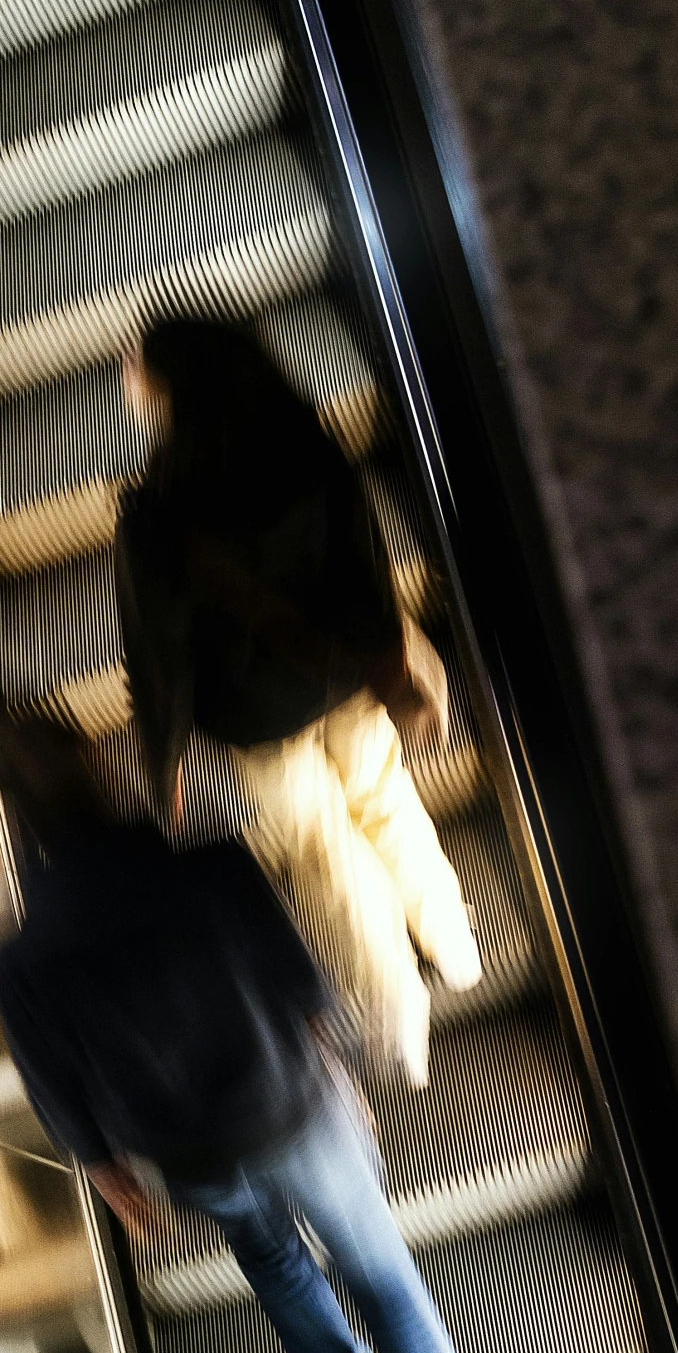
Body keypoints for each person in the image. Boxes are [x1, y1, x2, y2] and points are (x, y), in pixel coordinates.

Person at [0, 719, 542, 1353]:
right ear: (104, 781)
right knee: (383, 1279)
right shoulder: (209, 867)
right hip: (290, 1104)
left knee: (273, 1263)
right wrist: (342, 1070)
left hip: (187, 1151)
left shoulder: (21, 960)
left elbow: (49, 1078)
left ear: (18, 822)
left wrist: (102, 1166)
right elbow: (300, 980)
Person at [115, 313, 481, 1088]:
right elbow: (367, 565)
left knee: (323, 850)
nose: (127, 374)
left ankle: (396, 1019)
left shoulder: (155, 511)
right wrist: (388, 661)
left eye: (137, 365)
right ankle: (453, 942)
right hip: (344, 678)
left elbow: (159, 648)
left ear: (171, 388)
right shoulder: (306, 446)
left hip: (255, 718)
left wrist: (164, 756)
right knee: (385, 800)